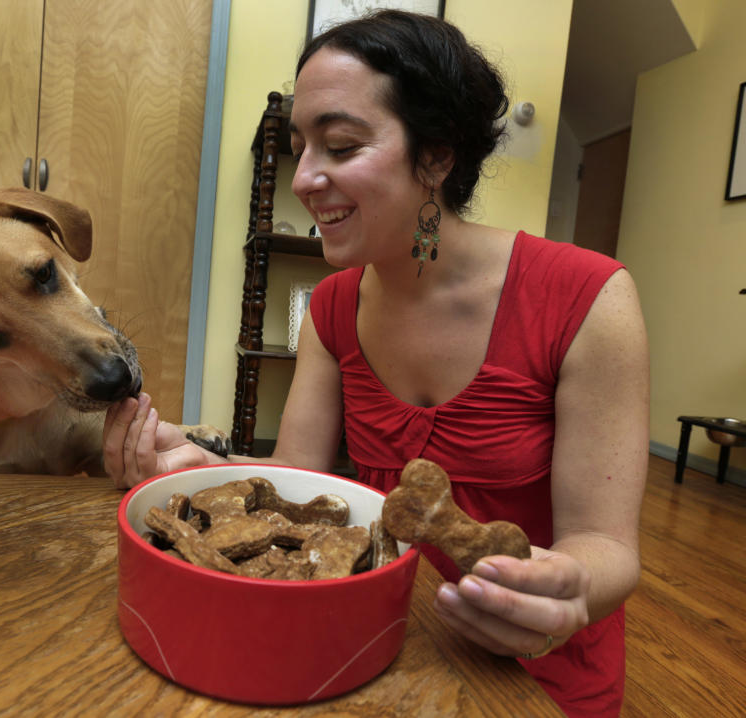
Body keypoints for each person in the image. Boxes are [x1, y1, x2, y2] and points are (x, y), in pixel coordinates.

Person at [102, 10, 648, 717]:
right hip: (376, 643)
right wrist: (205, 469)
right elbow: (299, 496)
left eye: (340, 145)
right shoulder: (330, 311)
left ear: (438, 154)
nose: (304, 179)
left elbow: (608, 546)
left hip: (533, 672)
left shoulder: (590, 299)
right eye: (301, 148)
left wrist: (566, 585)